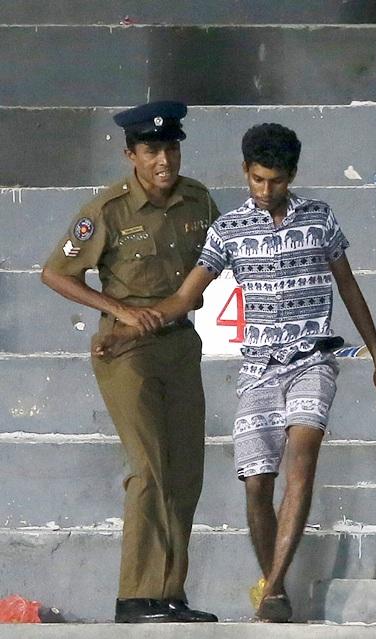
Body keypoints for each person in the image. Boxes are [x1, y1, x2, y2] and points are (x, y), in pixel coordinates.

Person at [95, 122, 376, 622]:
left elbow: (349, 288)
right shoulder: (229, 229)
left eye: (275, 181)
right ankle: (273, 585)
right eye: (257, 180)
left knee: (303, 455)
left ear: (292, 175)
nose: (265, 190)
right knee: (256, 483)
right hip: (258, 369)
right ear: (245, 173)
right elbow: (185, 297)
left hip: (312, 359)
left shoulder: (319, 219)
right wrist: (128, 330)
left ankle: (274, 587)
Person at [41, 101, 218, 623]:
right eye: (151, 150)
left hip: (181, 344)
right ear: (131, 154)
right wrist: (118, 310)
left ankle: (169, 593)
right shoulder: (110, 208)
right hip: (126, 349)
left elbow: (216, 263)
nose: (164, 159)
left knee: (186, 471)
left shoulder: (198, 201)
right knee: (149, 467)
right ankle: (135, 596)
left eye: (170, 147)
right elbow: (56, 273)